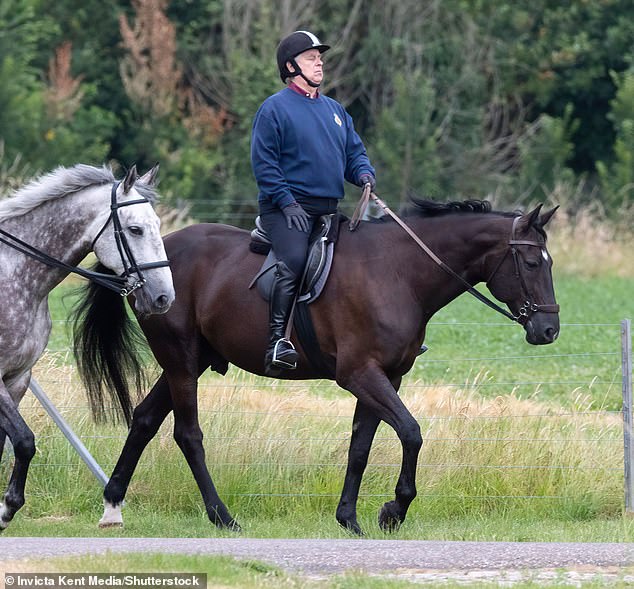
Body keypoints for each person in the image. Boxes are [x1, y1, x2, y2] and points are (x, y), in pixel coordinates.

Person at [251, 30, 376, 375]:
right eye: (310, 57)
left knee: (365, 257)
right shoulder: (273, 109)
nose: (319, 62)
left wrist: (364, 174)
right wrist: (286, 202)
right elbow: (264, 164)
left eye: (320, 57)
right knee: (293, 259)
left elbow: (354, 153)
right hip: (285, 209)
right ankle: (277, 341)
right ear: (291, 66)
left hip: (327, 209)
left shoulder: (335, 110)